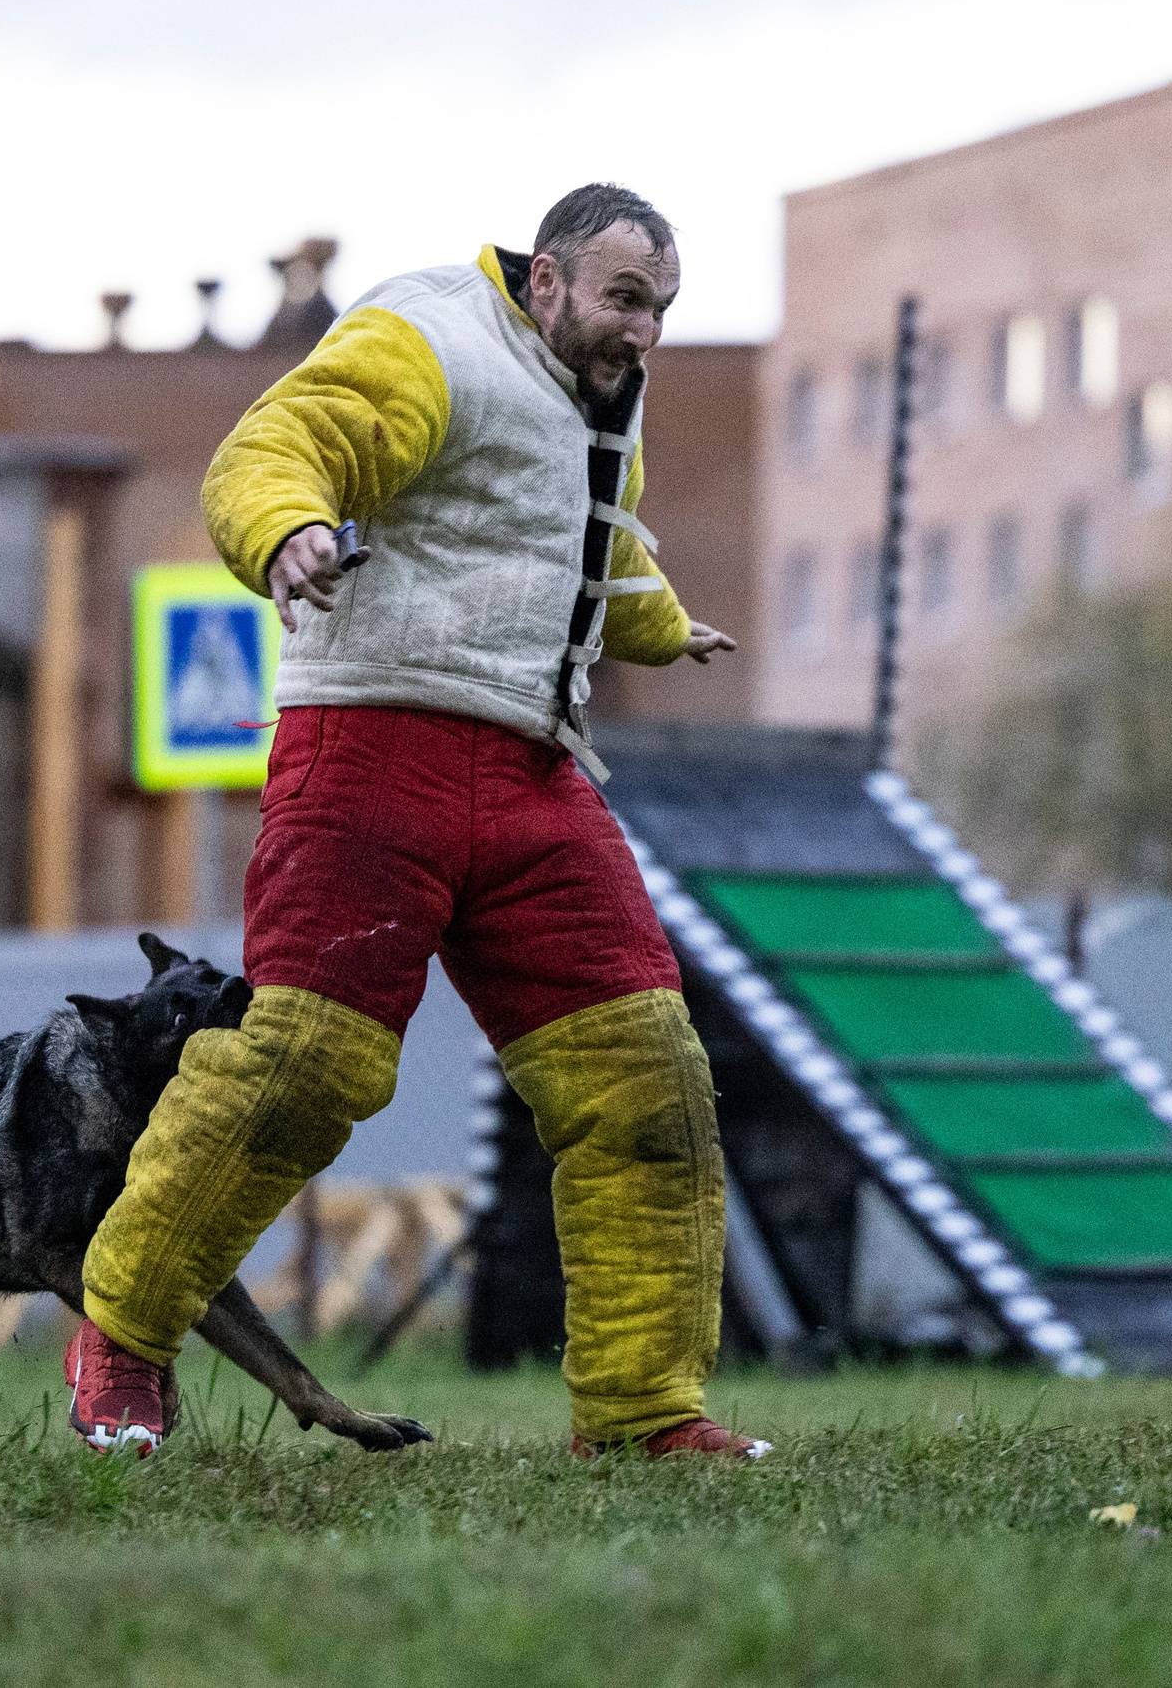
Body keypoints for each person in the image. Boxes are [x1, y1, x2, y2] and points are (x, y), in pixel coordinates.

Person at [67, 184, 762, 1460]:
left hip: (536, 768)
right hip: (371, 748)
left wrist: (664, 627)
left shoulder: (606, 392)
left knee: (646, 1080)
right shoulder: (425, 338)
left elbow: (591, 542)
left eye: (662, 308)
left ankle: (642, 1414)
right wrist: (284, 535)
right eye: (623, 300)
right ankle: (122, 1333)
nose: (645, 332)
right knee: (304, 1071)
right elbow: (279, 448)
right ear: (543, 280)